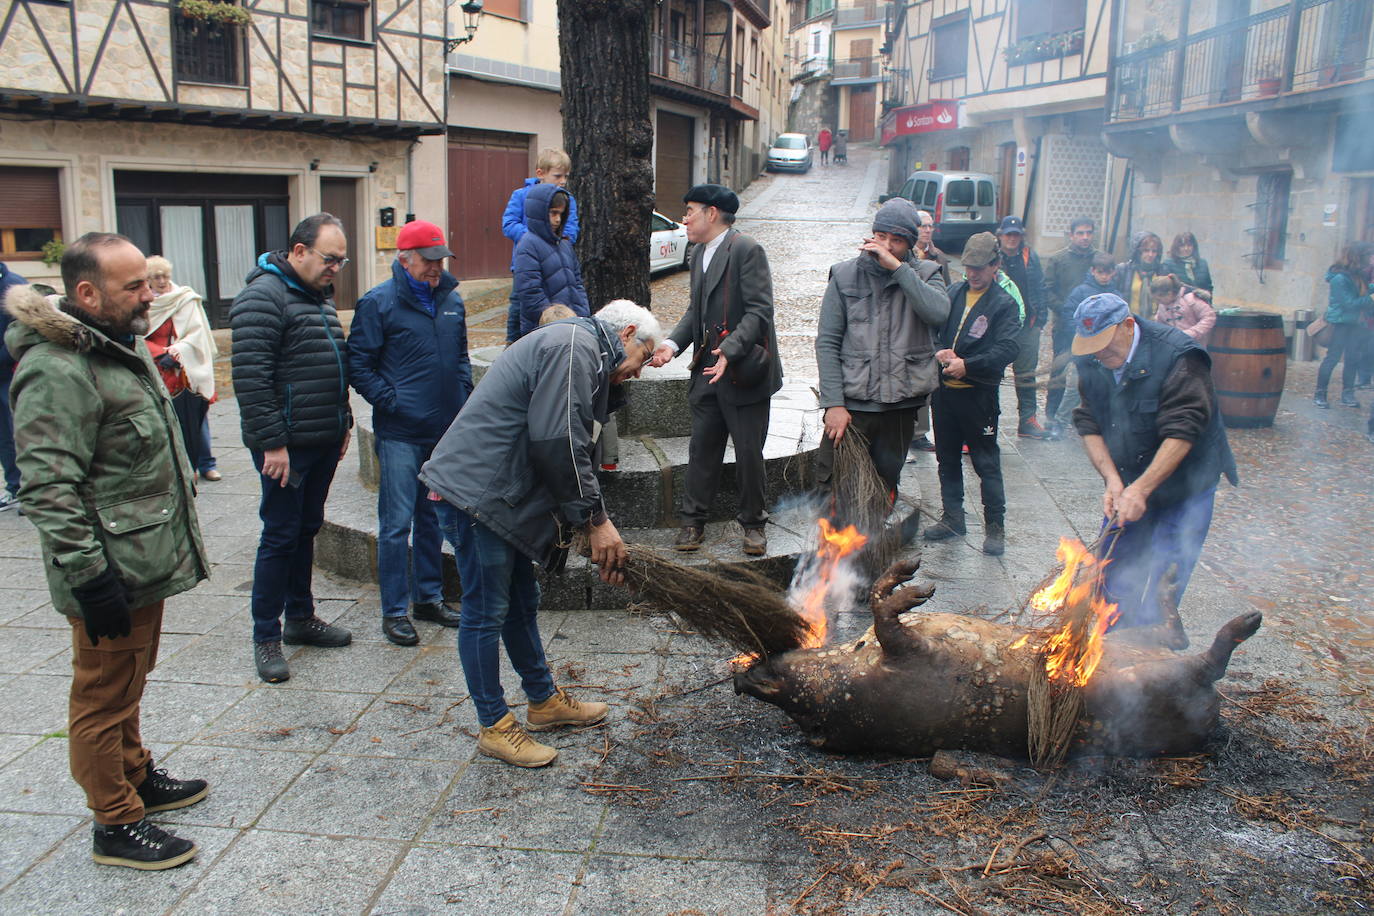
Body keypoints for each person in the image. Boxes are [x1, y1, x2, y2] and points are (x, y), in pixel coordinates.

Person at [5, 234, 209, 869]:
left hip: (139, 561)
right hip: (108, 571)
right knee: (101, 694)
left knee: (128, 680)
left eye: (148, 282)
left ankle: (134, 775)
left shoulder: (113, 345)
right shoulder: (56, 369)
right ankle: (115, 823)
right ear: (87, 293)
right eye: (134, 287)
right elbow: (46, 487)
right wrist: (92, 580)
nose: (149, 295)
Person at [419, 299, 659, 767]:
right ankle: (494, 725)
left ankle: (543, 702)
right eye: (643, 359)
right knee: (486, 611)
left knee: (521, 601)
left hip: (495, 494)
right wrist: (596, 522)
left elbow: (577, 448)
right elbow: (558, 440)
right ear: (627, 333)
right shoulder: (576, 346)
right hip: (476, 495)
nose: (640, 372)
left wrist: (592, 520)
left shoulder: (583, 351)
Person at [231, 213, 354, 684]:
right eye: (330, 258)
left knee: (306, 530)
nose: (336, 269)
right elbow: (251, 379)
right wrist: (273, 444)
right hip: (285, 447)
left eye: (341, 260)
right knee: (280, 535)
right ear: (298, 251)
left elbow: (332, 365)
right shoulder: (261, 297)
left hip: (321, 438)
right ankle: (267, 635)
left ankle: (301, 618)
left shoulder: (316, 295)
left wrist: (343, 422)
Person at [1070, 292, 1237, 631]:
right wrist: (1113, 481)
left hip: (1187, 484)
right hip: (1130, 476)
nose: (1099, 355)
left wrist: (1142, 489)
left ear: (1128, 326)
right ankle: (1107, 648)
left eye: (1105, 345)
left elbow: (1184, 431)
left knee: (1166, 577)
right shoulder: (1092, 357)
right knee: (1111, 570)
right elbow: (1088, 421)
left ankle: (1149, 655)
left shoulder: (1179, 356)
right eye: (1092, 348)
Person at [346, 220, 472, 647]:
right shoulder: (377, 303)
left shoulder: (452, 301)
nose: (437, 268)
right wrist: (393, 401)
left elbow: (459, 359)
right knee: (396, 523)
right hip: (400, 432)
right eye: (429, 260)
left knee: (433, 517)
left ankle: (429, 598)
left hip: (443, 432)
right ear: (404, 259)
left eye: (441, 259)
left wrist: (464, 402)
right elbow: (359, 365)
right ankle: (395, 610)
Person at [649, 184, 784, 556]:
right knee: (702, 449)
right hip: (707, 370)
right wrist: (671, 345)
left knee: (748, 453)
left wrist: (729, 350)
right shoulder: (697, 253)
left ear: (712, 213)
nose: (685, 218)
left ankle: (754, 524)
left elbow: (760, 312)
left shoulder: (745, 249)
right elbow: (696, 311)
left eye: (690, 210)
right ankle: (693, 521)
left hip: (743, 371)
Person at [816, 198, 949, 518]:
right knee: (836, 488)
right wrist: (833, 403)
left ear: (910, 244)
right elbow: (827, 342)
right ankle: (833, 557)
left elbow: (938, 312)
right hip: (853, 404)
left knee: (884, 486)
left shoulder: (929, 274)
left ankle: (872, 551)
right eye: (881, 236)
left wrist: (899, 269)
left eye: (897, 240)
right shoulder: (845, 275)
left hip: (900, 406)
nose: (886, 246)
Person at [923, 232, 1021, 556]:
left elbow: (1008, 348)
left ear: (995, 266)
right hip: (945, 396)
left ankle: (996, 527)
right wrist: (940, 352)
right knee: (946, 458)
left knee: (986, 463)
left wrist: (969, 364)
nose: (973, 274)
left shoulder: (1003, 304)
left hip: (978, 398)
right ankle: (953, 517)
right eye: (968, 267)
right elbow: (934, 330)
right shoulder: (953, 292)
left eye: (979, 268)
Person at [143, 256, 218, 480]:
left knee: (196, 414)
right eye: (156, 277)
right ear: (148, 279)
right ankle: (184, 467)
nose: (162, 280)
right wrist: (159, 353)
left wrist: (177, 353)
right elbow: (138, 335)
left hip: (185, 368)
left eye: (165, 275)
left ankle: (206, 464)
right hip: (159, 368)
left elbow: (198, 333)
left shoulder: (185, 298)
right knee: (167, 418)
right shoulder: (144, 303)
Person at [503, 148, 580, 344]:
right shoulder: (521, 195)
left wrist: (560, 242)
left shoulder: (567, 199)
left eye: (566, 176)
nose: (562, 181)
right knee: (520, 304)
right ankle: (512, 345)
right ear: (540, 173)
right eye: (557, 176)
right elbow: (509, 224)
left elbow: (571, 228)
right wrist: (535, 239)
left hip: (556, 263)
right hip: (526, 263)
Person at [1047, 252, 1119, 435]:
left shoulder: (1115, 295)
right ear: (1093, 271)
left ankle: (1098, 423)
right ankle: (1060, 422)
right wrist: (1082, 336)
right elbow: (1071, 313)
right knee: (1074, 386)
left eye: (1107, 272)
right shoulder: (1081, 292)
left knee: (1102, 387)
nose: (1104, 276)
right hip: (1083, 349)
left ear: (1113, 273)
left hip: (1106, 350)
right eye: (1100, 272)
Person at [1041, 218, 1098, 438]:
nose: (1085, 237)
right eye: (1081, 233)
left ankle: (1082, 414)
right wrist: (1065, 309)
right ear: (1071, 235)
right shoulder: (1058, 259)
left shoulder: (1098, 259)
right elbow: (1047, 290)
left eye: (1089, 233)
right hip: (1064, 325)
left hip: (1093, 329)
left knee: (1089, 371)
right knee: (1060, 369)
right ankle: (1052, 414)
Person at [994, 216, 1050, 440]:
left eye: (1015, 235)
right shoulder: (993, 257)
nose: (1012, 239)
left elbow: (1040, 286)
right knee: (993, 373)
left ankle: (1027, 420)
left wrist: (1041, 318)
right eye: (1008, 234)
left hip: (1027, 324)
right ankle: (988, 421)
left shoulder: (1030, 256)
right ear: (1001, 236)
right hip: (999, 327)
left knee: (1027, 374)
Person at [511, 183, 590, 340]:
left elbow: (577, 284)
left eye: (561, 214)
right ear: (539, 212)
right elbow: (530, 292)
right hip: (543, 330)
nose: (557, 219)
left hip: (572, 325)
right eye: (553, 213)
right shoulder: (527, 245)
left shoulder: (564, 244)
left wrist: (582, 314)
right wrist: (554, 319)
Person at [907, 208, 949, 454]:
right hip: (909, 329)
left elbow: (946, 295)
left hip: (931, 332)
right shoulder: (905, 256)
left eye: (931, 225)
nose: (928, 229)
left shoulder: (938, 257)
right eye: (923, 225)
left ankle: (919, 434)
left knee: (925, 384)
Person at [1314, 242, 1374, 409]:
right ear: (1357, 257)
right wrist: (1371, 299)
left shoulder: (1356, 275)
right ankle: (1320, 393)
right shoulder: (1340, 278)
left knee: (1352, 359)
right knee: (1332, 359)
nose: (1370, 259)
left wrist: (1372, 289)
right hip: (1340, 324)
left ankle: (1347, 394)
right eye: (1367, 256)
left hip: (1355, 324)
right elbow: (1350, 303)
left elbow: (1362, 290)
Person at [0, 261, 28, 511]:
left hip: (11, 372)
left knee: (18, 432)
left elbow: (21, 335)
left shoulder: (12, 286)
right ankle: (14, 486)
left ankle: (28, 491)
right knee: (3, 436)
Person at [1149, 274, 1216, 346]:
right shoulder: (1162, 305)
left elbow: (1209, 316)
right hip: (1173, 346)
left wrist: (1192, 332)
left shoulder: (1190, 299)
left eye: (1158, 299)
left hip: (1195, 345)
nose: (1157, 302)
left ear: (1169, 293)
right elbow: (1160, 324)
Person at [1112, 230, 1164, 318]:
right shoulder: (1123, 270)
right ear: (1138, 251)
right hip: (1129, 322)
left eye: (1154, 251)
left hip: (1154, 324)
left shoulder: (1161, 271)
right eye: (1146, 250)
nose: (1150, 254)